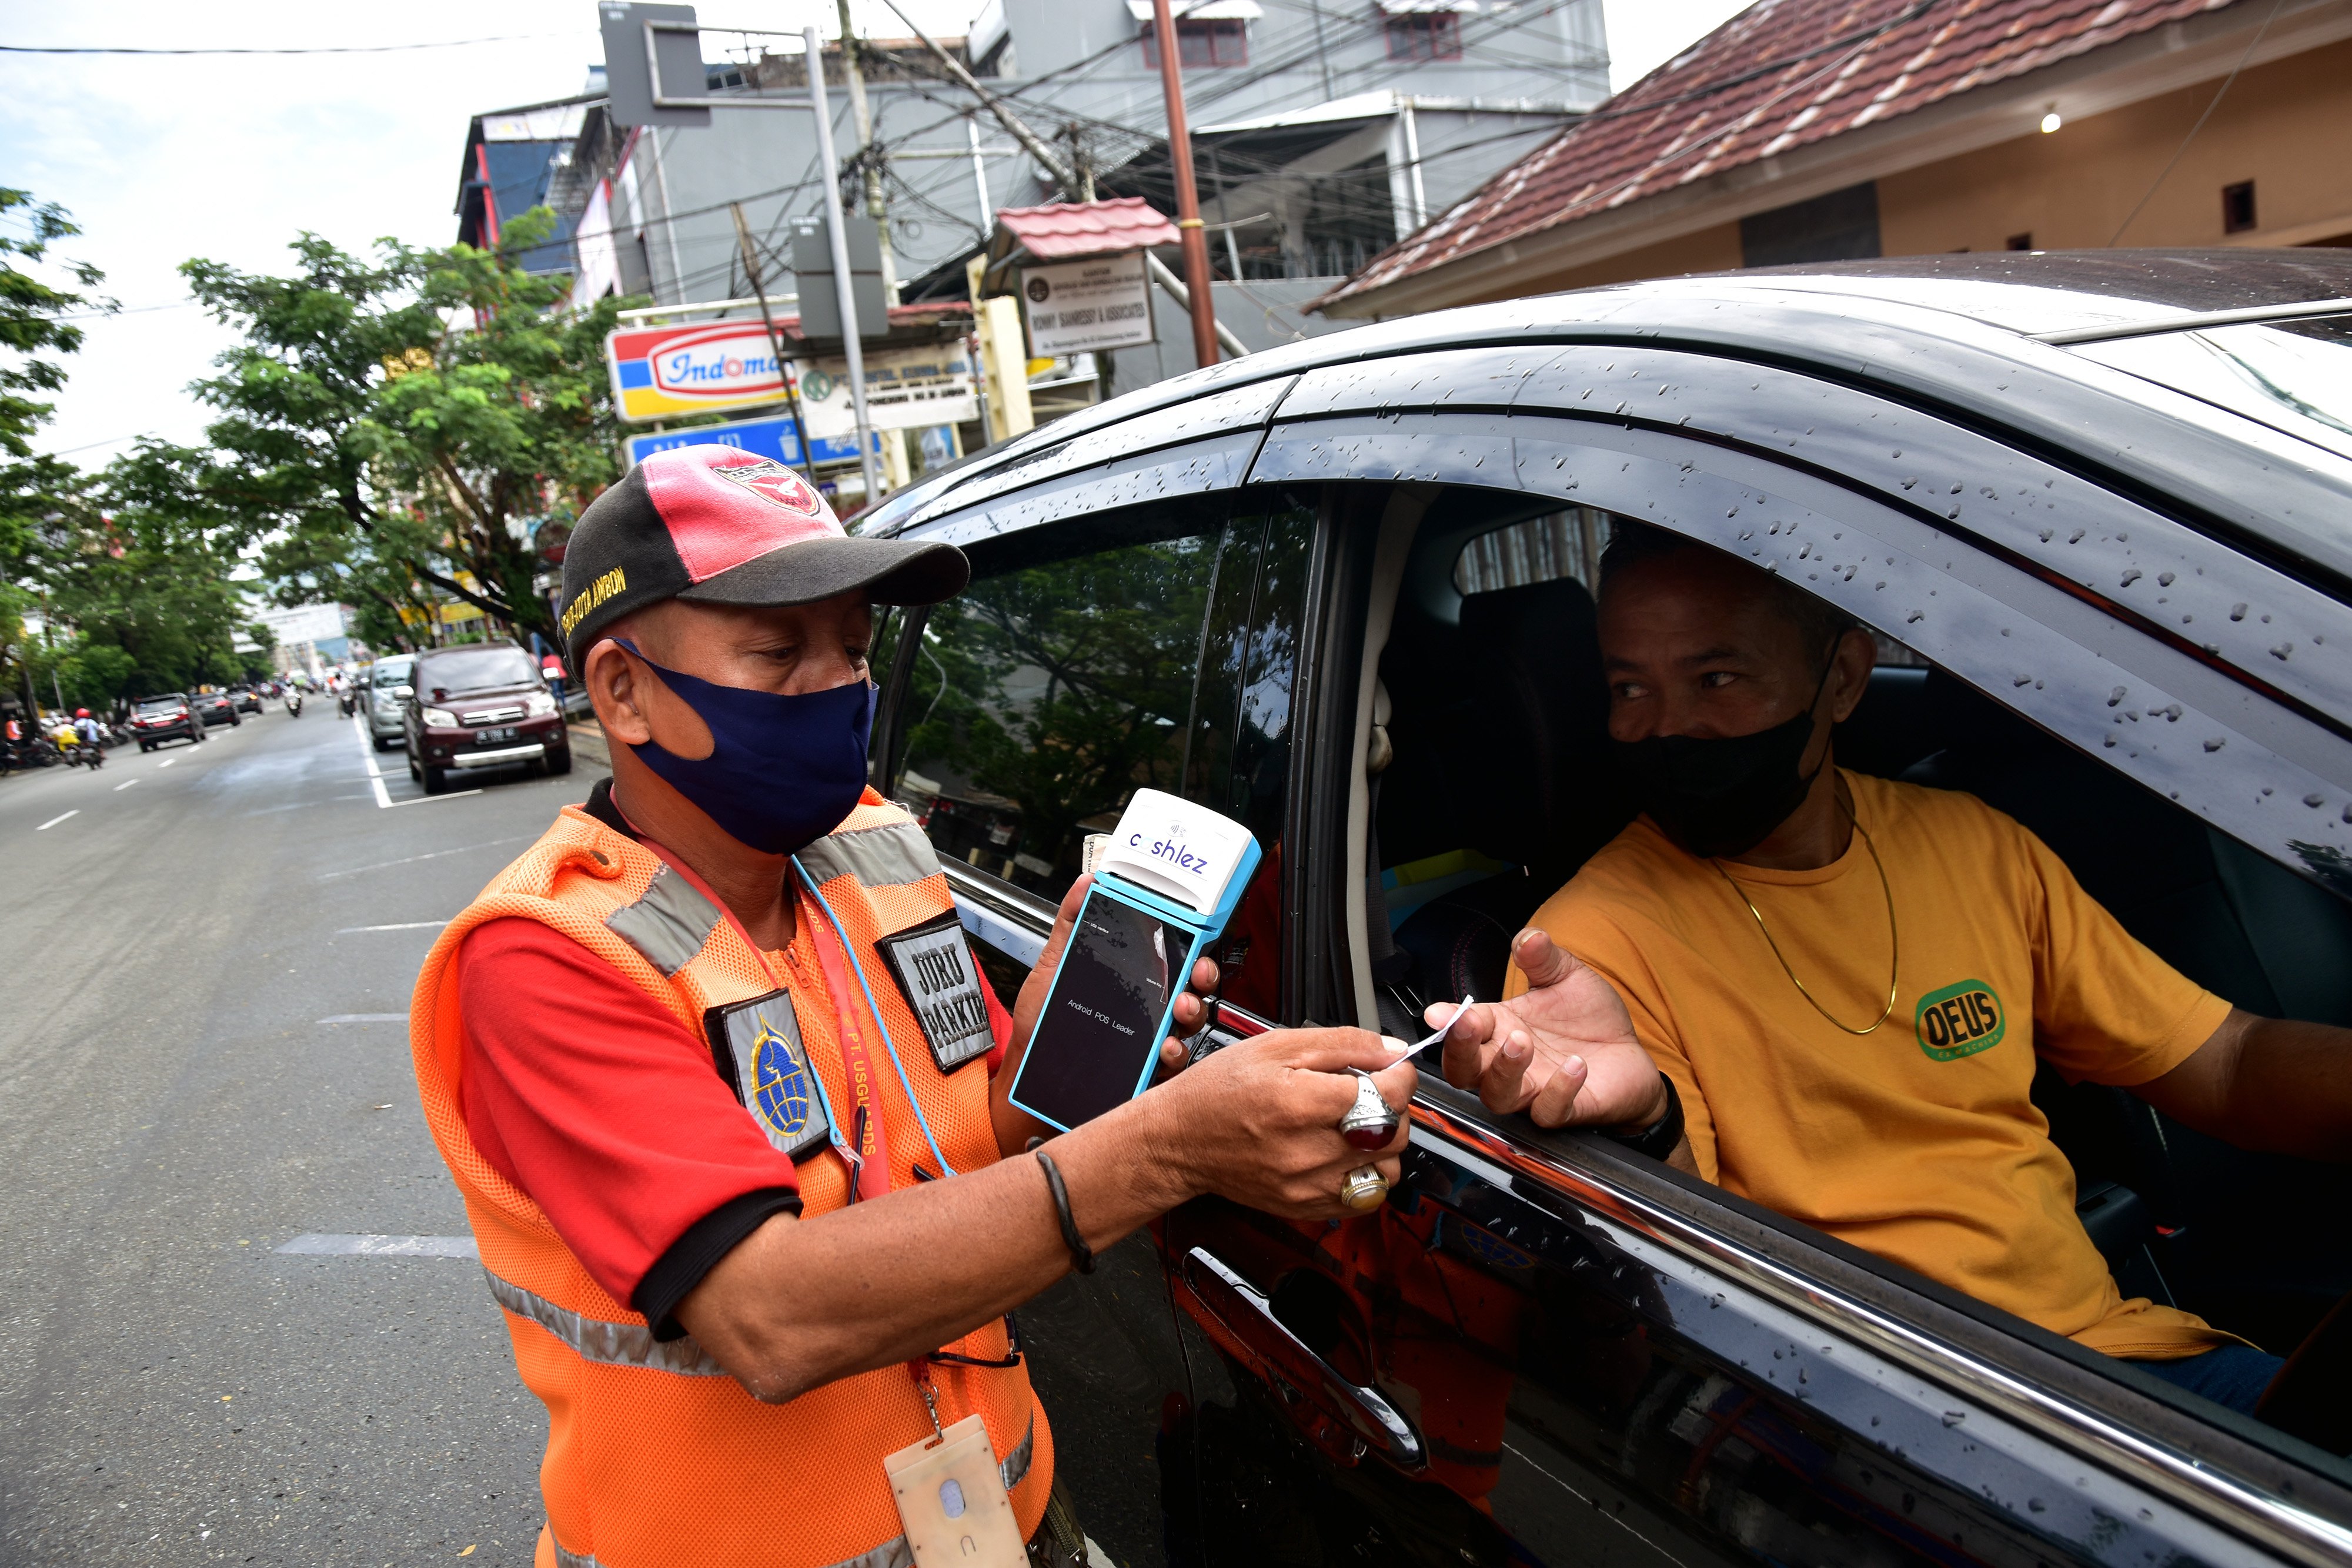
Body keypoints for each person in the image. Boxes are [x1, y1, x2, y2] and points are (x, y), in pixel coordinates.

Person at [407, 444, 1414, 1568]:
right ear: (622, 692)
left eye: (851, 646)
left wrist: (1049, 1051)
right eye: (778, 649)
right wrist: (1167, 1153)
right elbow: (769, 1316)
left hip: (1010, 1513)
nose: (835, 687)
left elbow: (969, 1131)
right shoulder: (548, 958)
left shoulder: (878, 849)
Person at [1436, 522, 2352, 1417]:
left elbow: (2227, 1063)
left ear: (1841, 680)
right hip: (1886, 1428)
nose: (1665, 727)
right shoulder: (1580, 959)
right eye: (1628, 687)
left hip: (2125, 1371)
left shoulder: (1973, 846)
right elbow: (1675, 1308)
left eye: (1715, 677)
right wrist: (1649, 1127)